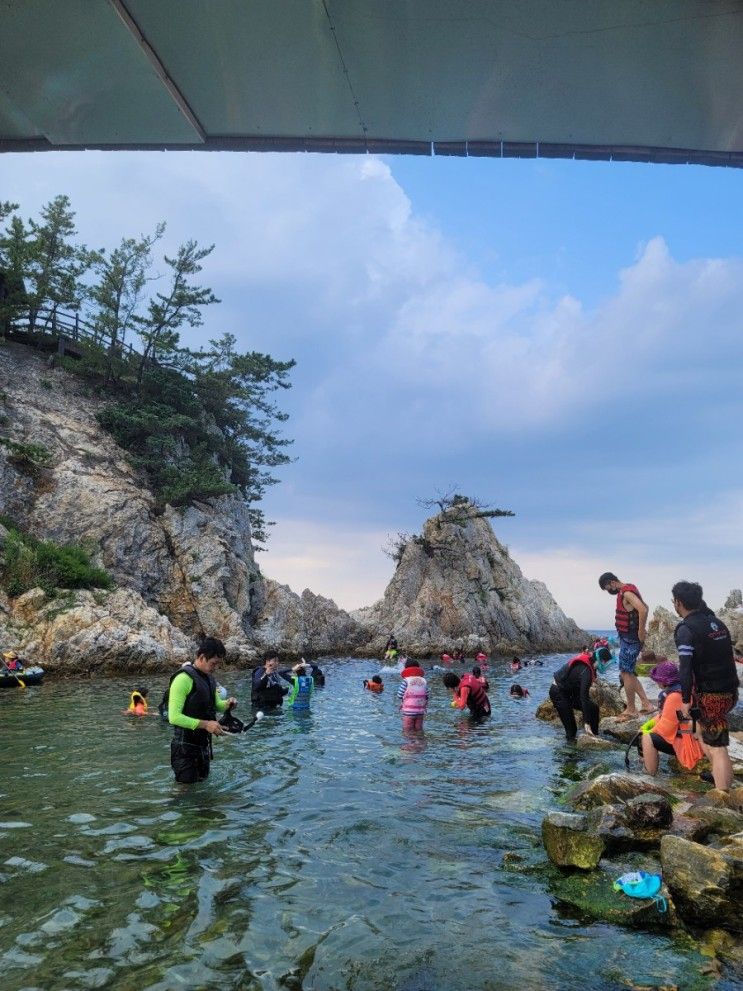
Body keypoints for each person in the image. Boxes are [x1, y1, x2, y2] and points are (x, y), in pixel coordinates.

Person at [672, 580, 739, 790]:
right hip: (729, 690)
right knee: (701, 733)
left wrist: (684, 700)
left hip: (711, 694)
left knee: (717, 746)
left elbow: (684, 668)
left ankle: (723, 795)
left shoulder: (686, 629)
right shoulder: (717, 623)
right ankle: (720, 776)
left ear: (678, 602)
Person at [168, 638, 236, 784]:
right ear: (201, 657)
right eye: (213, 663)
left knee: (201, 790)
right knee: (185, 794)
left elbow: (217, 704)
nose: (215, 667)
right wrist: (206, 724)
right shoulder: (183, 679)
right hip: (184, 749)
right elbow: (173, 717)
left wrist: (228, 704)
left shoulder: (210, 679)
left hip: (202, 746)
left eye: (218, 664)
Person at [598, 572, 653, 719]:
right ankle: (646, 704)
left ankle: (631, 709)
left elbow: (643, 609)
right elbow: (645, 606)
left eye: (607, 587)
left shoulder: (627, 593)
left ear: (612, 582)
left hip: (631, 639)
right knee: (627, 672)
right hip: (626, 637)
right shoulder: (627, 590)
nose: (609, 590)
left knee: (626, 672)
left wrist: (641, 631)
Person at [639, 659, 704, 775]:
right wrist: (650, 723)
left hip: (688, 740)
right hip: (691, 733)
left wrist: (648, 731)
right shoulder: (682, 690)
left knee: (647, 738)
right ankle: (646, 760)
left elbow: (666, 728)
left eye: (658, 680)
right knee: (646, 734)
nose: (657, 683)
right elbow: (667, 716)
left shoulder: (674, 696)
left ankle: (649, 773)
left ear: (664, 680)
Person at [548, 646, 612, 740]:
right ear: (600, 660)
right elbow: (583, 697)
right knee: (572, 731)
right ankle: (569, 751)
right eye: (606, 662)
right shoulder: (586, 671)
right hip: (558, 692)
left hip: (570, 692)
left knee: (593, 708)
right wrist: (587, 722)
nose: (606, 665)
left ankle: (594, 736)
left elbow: (583, 696)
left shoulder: (590, 666)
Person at [397, 662, 429, 732]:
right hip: (421, 711)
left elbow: (399, 695)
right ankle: (419, 742)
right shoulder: (424, 681)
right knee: (419, 730)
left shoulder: (406, 681)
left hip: (409, 711)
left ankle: (410, 743)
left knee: (407, 731)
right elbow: (427, 695)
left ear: (406, 669)